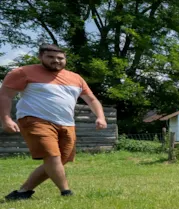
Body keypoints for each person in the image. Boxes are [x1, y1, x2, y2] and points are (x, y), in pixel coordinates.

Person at [1, 44, 107, 200]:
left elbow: (91, 99)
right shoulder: (23, 72)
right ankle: (66, 192)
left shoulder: (75, 78)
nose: (56, 61)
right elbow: (5, 95)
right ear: (40, 57)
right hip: (35, 119)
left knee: (60, 160)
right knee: (52, 156)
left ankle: (23, 192)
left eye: (60, 58)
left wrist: (100, 116)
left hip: (66, 123)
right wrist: (6, 118)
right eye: (50, 57)